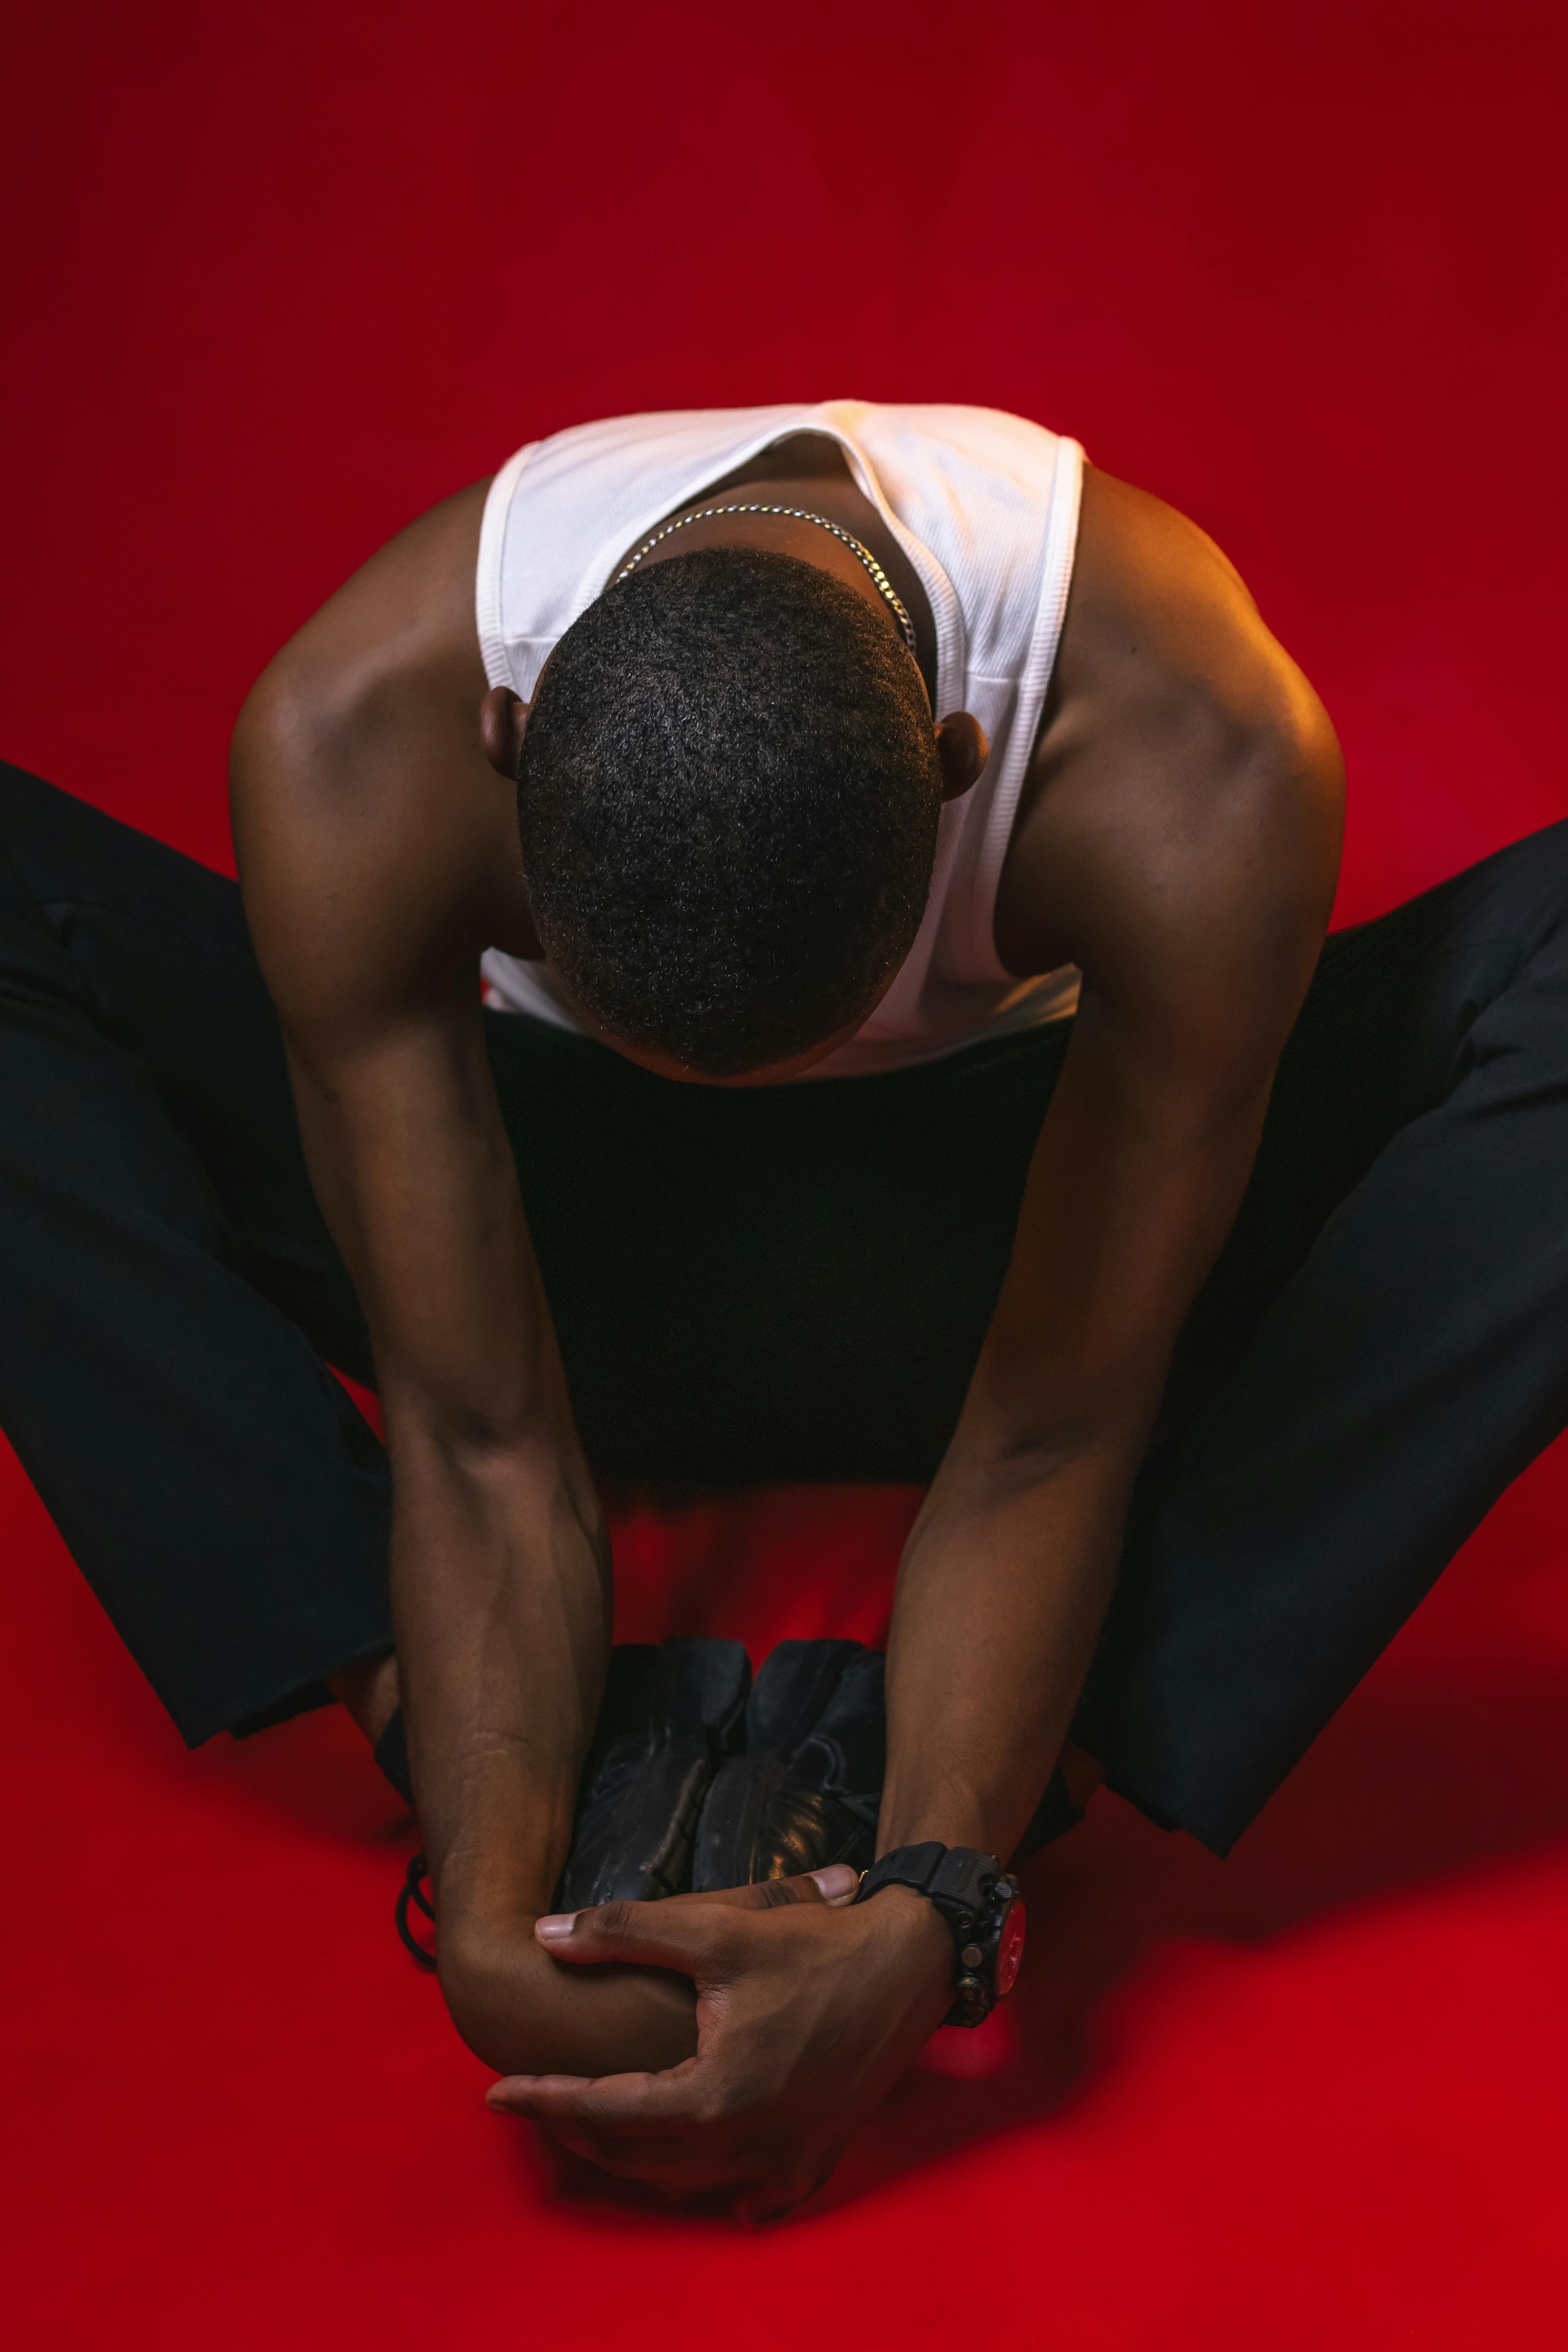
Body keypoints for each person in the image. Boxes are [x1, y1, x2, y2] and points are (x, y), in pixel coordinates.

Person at [5, 401, 1567, 2218]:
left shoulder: (1188, 749)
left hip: (1012, 1238)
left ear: (967, 760)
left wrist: (931, 1911)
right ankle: (443, 1704)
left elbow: (1051, 1425)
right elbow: (478, 1423)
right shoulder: (362, 728)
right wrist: (496, 1907)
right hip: (532, 1223)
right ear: (503, 743)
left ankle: (1013, 1748)